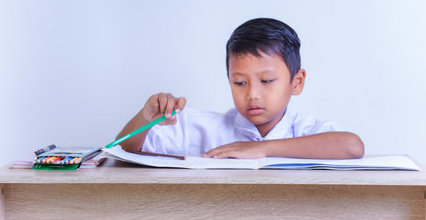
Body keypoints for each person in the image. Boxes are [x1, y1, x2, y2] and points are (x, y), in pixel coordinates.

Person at [117, 18, 364, 159]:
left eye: (266, 81)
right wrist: (145, 118)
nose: (252, 94)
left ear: (296, 82)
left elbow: (352, 146)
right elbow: (124, 148)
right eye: (239, 82)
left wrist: (262, 149)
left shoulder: (307, 131)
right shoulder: (201, 127)